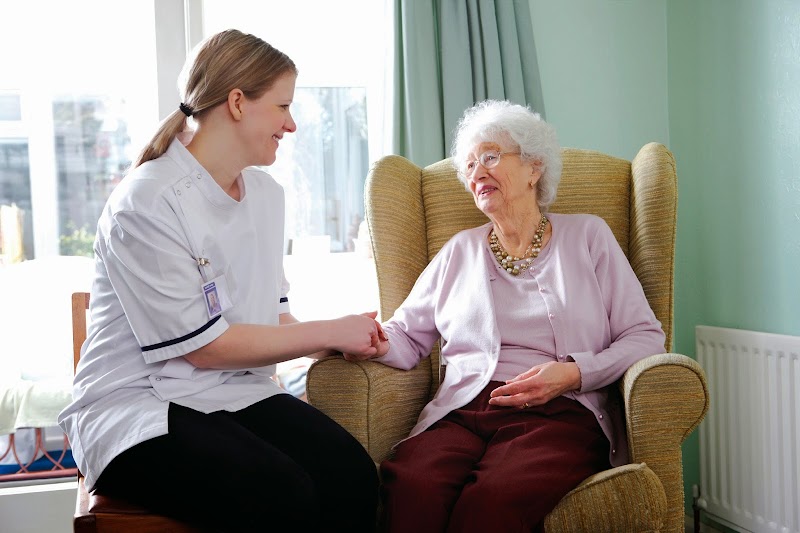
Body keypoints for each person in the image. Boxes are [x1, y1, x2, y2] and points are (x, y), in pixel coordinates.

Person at [58, 29, 380, 533]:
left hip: (229, 392)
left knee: (353, 477)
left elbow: (270, 316)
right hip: (136, 409)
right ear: (236, 103)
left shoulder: (266, 195)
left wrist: (335, 342)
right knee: (281, 494)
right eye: (282, 107)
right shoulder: (148, 201)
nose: (291, 124)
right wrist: (328, 331)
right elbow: (203, 349)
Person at [344, 99, 667, 532]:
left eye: (491, 157)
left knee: (492, 502)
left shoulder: (588, 236)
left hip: (558, 411)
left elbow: (645, 336)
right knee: (411, 485)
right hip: (464, 408)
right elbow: (406, 336)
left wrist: (573, 375)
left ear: (534, 168)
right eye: (470, 165)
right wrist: (369, 339)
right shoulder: (459, 250)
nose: (477, 173)